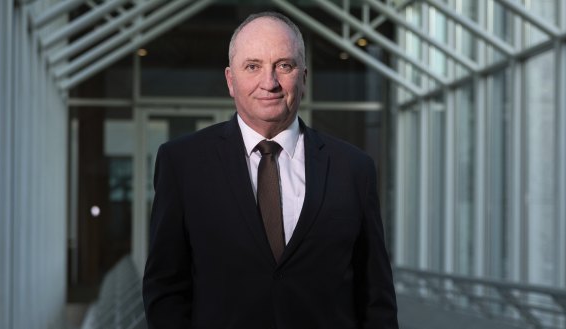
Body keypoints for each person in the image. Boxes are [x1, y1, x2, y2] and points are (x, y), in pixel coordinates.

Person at [142, 11, 399, 329]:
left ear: (303, 77)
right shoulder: (182, 164)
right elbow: (165, 290)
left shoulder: (354, 170)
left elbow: (376, 298)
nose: (270, 83)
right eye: (253, 66)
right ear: (230, 80)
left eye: (284, 66)